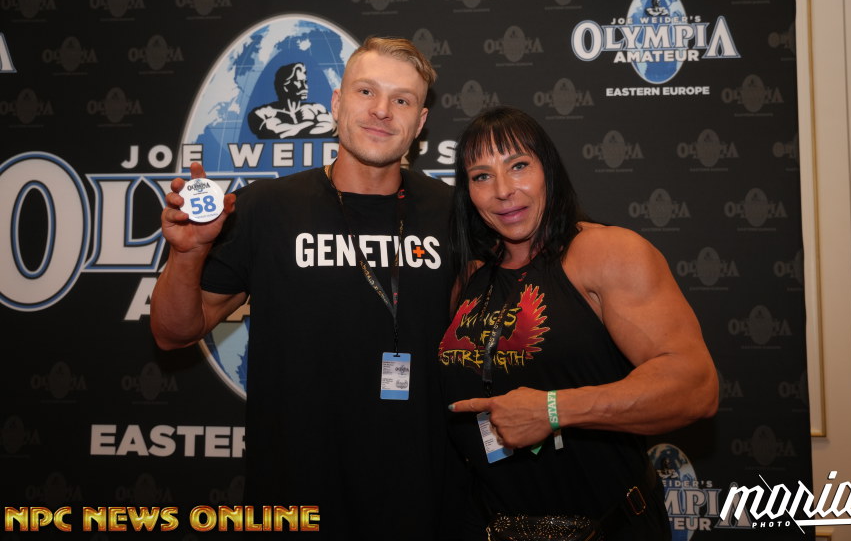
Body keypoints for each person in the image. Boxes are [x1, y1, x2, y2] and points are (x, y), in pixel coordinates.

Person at [151, 37, 457, 539]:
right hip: (292, 497)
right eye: (366, 91)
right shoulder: (265, 208)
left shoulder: (454, 215)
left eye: (401, 100)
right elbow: (172, 332)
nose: (381, 110)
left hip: (421, 501)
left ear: (420, 122)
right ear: (336, 103)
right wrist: (187, 255)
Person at [438, 106, 718, 540]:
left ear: (548, 170)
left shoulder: (605, 252)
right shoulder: (469, 279)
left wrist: (553, 410)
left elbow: (695, 387)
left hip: (607, 528)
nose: (503, 190)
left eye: (518, 166)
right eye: (482, 176)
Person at [247, 61, 336, 138]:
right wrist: (310, 123)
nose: (305, 87)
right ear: (285, 86)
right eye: (299, 82)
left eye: (305, 82)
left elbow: (334, 129)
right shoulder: (263, 113)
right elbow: (274, 132)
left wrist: (295, 129)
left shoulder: (316, 109)